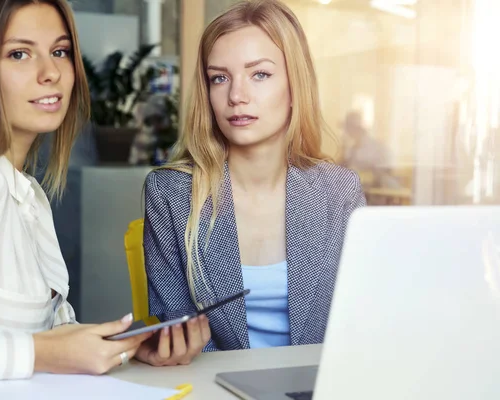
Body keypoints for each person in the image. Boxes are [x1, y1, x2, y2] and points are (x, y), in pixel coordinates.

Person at [0, 0, 151, 391]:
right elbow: (36, 349)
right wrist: (36, 353)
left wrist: (121, 348)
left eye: (59, 51)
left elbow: (46, 337)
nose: (50, 72)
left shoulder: (27, 192)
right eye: (19, 53)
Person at [141, 0, 366, 357]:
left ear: (295, 86)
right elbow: (178, 333)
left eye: (259, 74)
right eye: (220, 78)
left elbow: (361, 324)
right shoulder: (173, 193)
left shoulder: (339, 192)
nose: (236, 96)